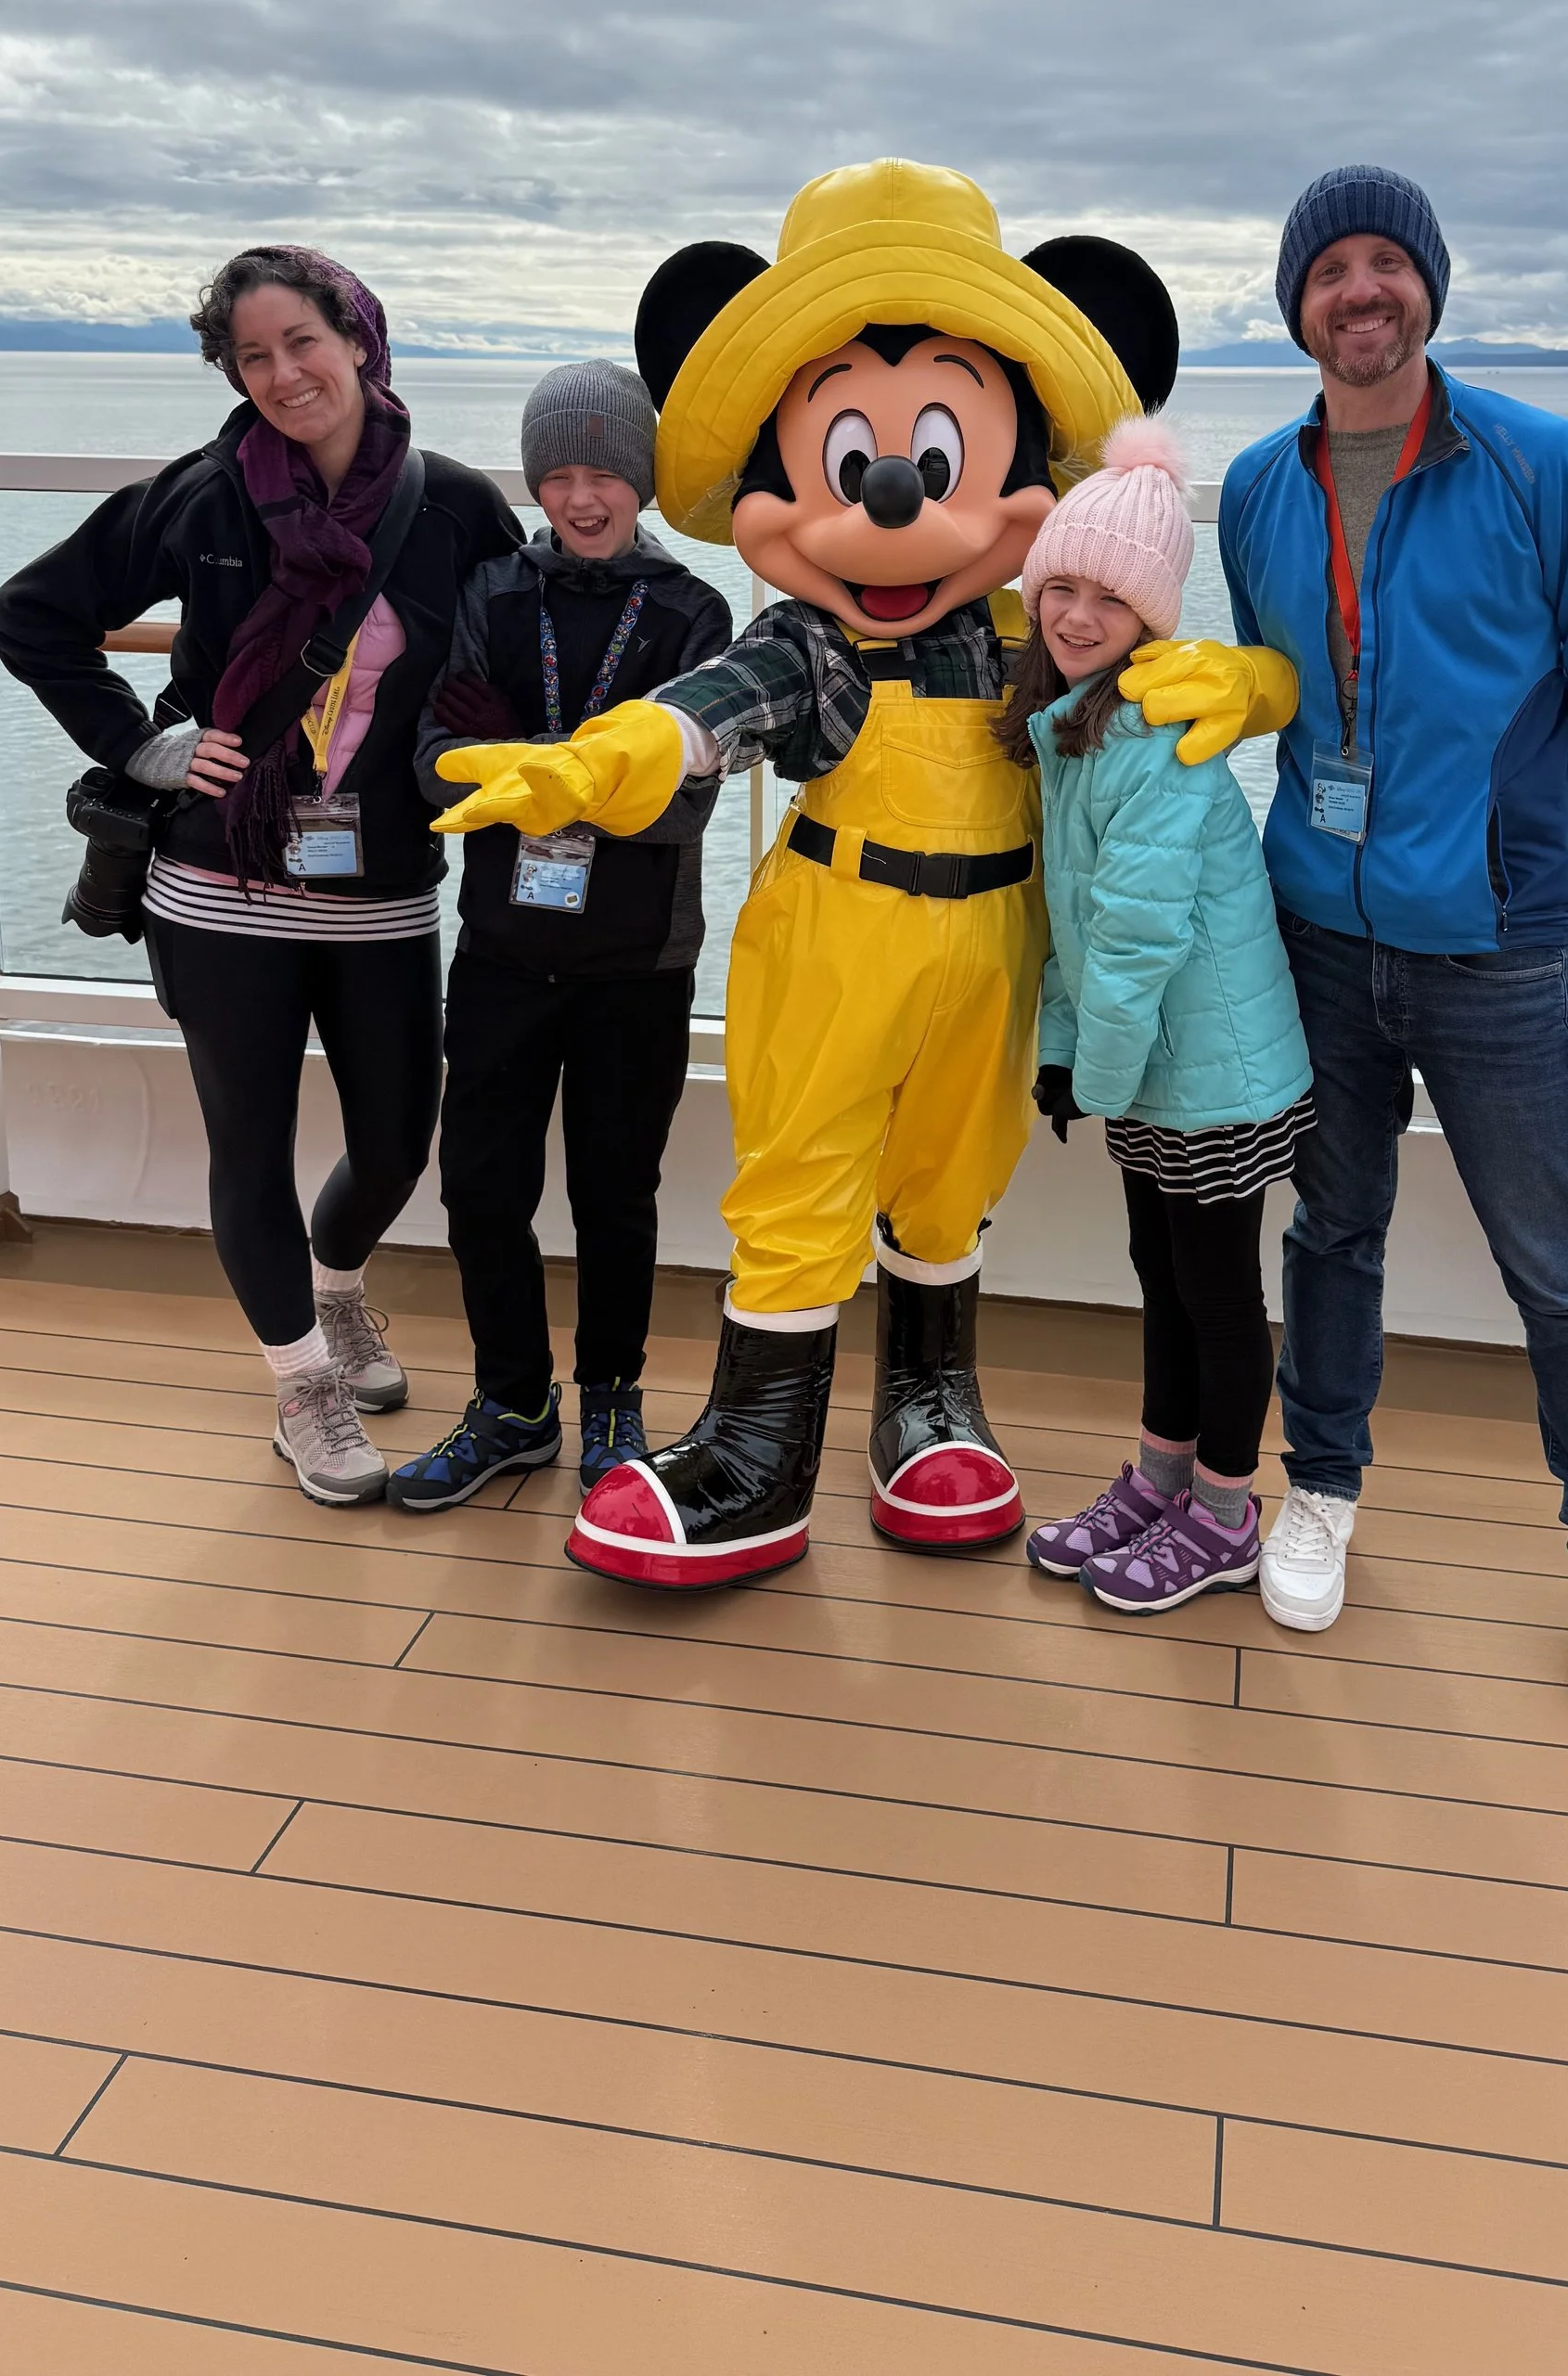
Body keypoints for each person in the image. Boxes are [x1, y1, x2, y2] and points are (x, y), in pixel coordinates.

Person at [431, 161, 1288, 1589]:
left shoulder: (1042, 625)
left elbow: (1153, 680)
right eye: (849, 458)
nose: (895, 499)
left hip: (998, 948)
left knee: (953, 1176)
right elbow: (711, 703)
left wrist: (1253, 679)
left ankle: (929, 1407)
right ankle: (756, 1453)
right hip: (836, 932)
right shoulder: (816, 641)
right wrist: (591, 764)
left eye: (943, 452)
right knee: (803, 1175)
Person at [1197, 165, 1568, 1712]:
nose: (1361, 290)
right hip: (1317, 934)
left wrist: (1534, 835)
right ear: (1297, 307)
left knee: (1556, 1260)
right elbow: (1273, 685)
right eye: (1330, 268)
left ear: (1428, 288)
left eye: (1385, 264)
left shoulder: (1542, 464)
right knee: (1331, 1233)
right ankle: (1323, 1484)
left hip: (1495, 943)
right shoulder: (1263, 485)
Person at [0, 246, 521, 1508]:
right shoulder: (207, 500)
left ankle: (335, 1287)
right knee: (250, 1143)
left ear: (360, 341)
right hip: (218, 880)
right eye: (252, 357)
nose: (283, 375)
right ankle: (301, 1384)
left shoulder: (452, 508)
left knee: (398, 1136)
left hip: (383, 881)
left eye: (303, 343)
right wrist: (142, 741)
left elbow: (515, 655)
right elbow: (31, 612)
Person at [389, 361, 732, 1512]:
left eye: (606, 475)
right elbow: (435, 763)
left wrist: (529, 768)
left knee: (614, 1194)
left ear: (640, 482)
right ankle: (514, 1405)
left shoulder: (694, 614)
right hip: (499, 950)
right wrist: (562, 774)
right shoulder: (492, 594)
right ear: (537, 481)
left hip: (639, 961)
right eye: (561, 474)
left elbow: (683, 801)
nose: (582, 498)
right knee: (481, 1188)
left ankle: (614, 1400)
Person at [998, 420, 1310, 1612]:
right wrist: (1068, 1053)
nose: (1076, 616)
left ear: (1154, 617)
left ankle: (1226, 1515)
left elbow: (1135, 936)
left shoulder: (1157, 743)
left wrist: (1100, 1075)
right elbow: (1074, 925)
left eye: (1107, 598)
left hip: (1214, 1074)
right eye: (1059, 588)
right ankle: (1162, 1474)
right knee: (1161, 1272)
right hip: (1154, 1067)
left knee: (1218, 1295)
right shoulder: (1074, 729)